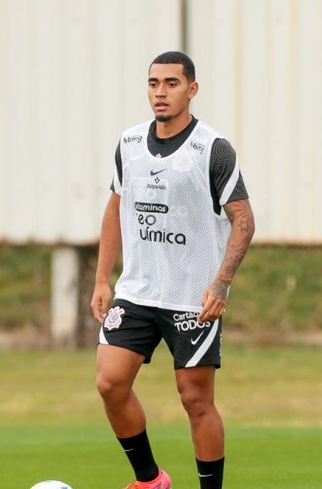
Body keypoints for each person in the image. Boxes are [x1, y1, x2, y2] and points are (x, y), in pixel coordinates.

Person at [90, 51, 255, 489]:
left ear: (192, 89)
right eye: (153, 83)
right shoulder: (129, 144)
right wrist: (102, 278)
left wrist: (221, 283)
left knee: (195, 400)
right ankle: (150, 481)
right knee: (109, 382)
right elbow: (115, 206)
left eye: (171, 83)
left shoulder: (212, 149)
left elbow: (244, 219)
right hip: (138, 292)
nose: (160, 92)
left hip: (191, 297)